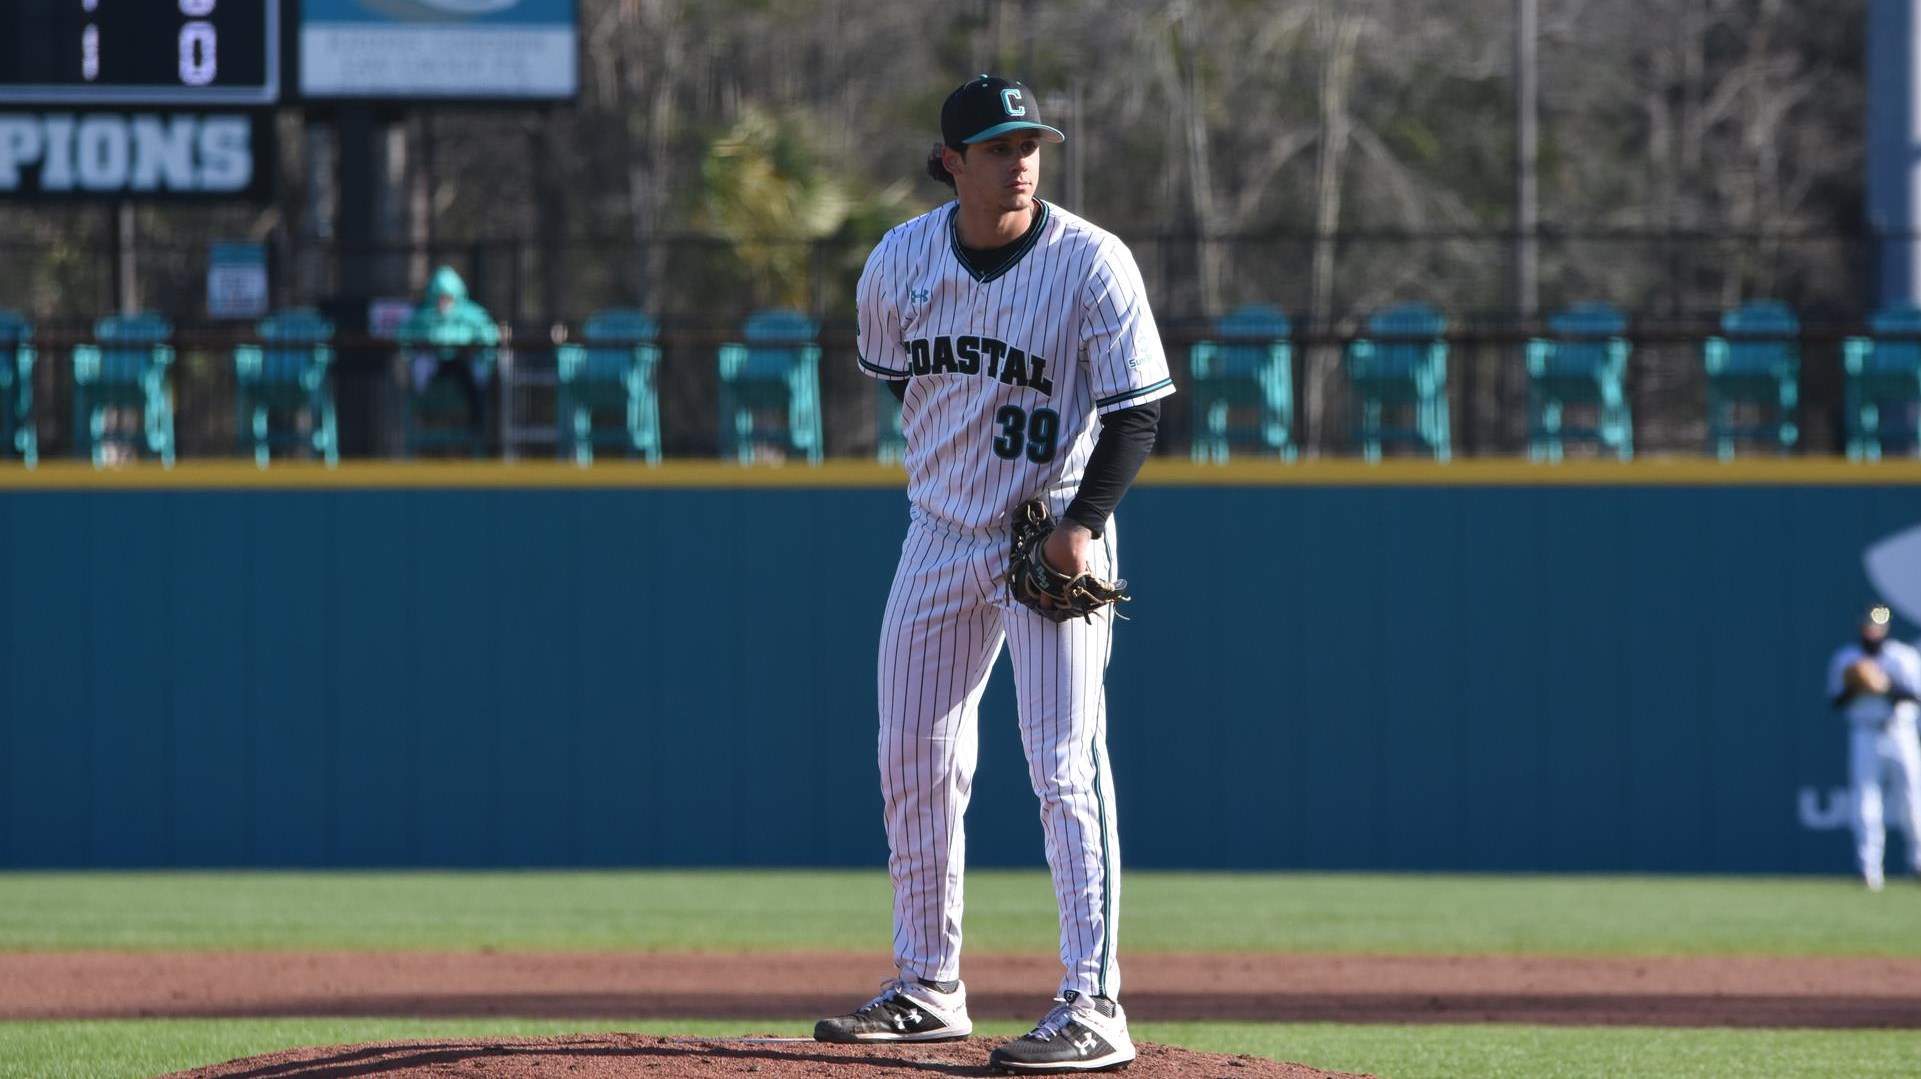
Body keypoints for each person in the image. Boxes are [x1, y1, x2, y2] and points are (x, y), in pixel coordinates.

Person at [813, 75, 1172, 1074]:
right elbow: (904, 387)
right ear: (951, 162)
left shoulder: (1090, 261)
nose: (1020, 158)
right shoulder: (898, 262)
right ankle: (927, 985)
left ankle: (1094, 1001)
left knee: (1063, 761)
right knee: (912, 758)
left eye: (1031, 142)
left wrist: (1080, 525)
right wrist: (956, 488)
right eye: (999, 145)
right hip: (936, 534)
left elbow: (1138, 411)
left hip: (1049, 530)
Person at [1826, 602, 1921, 890]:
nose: (1872, 630)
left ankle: (1917, 862)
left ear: (1886, 627)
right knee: (1865, 803)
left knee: (1912, 801)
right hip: (1864, 732)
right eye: (1868, 624)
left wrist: (1885, 686)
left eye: (1878, 624)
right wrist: (1858, 685)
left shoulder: (1901, 656)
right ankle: (1869, 870)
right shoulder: (1847, 659)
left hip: (1900, 732)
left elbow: (1915, 694)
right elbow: (1836, 700)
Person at [396, 265, 500, 444]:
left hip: (461, 364)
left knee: (472, 378)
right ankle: (421, 421)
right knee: (419, 373)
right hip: (432, 366)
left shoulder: (471, 315)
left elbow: (490, 335)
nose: (443, 303)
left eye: (447, 297)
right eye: (440, 298)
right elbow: (402, 336)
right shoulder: (421, 317)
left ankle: (477, 428)